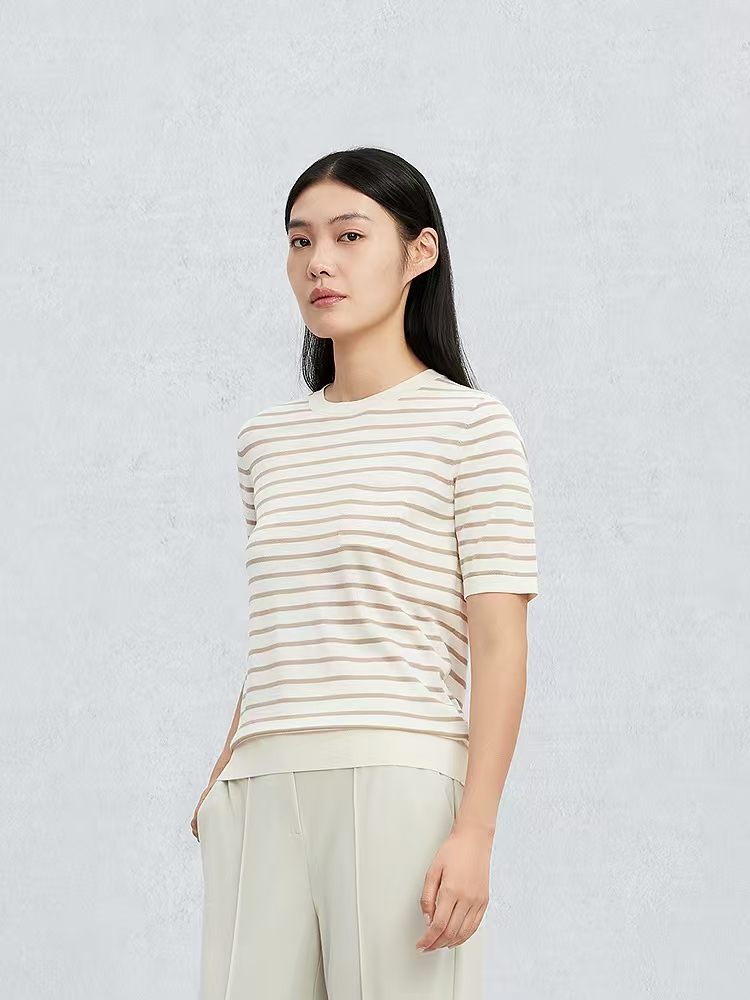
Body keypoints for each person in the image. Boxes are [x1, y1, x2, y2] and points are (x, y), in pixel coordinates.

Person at [191, 146, 539, 1000]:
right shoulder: (266, 441)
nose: (320, 262)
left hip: (399, 778)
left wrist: (476, 831)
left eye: (350, 236)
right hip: (260, 784)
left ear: (419, 252)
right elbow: (286, 624)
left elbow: (500, 642)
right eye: (300, 240)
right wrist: (221, 776)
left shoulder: (472, 428)